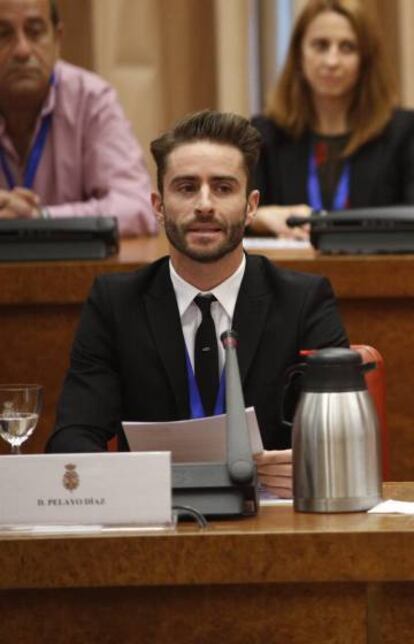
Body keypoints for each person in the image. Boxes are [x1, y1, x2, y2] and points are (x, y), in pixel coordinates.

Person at [46, 109, 348, 498]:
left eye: (223, 188)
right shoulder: (115, 304)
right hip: (152, 527)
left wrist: (309, 464)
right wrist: (121, 481)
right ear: (158, 205)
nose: (204, 205)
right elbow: (73, 437)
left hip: (270, 523)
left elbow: (339, 437)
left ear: (251, 206)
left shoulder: (303, 300)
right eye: (186, 188)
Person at [250, 0, 414, 239]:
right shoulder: (266, 134)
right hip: (291, 273)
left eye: (347, 47)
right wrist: (262, 217)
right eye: (320, 45)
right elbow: (234, 217)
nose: (332, 61)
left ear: (365, 60)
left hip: (379, 273)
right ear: (298, 54)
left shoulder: (404, 132)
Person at [0, 0, 157, 236]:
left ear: (57, 39)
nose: (22, 50)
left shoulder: (91, 99)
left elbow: (138, 207)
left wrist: (41, 218)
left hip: (76, 271)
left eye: (35, 32)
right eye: (3, 34)